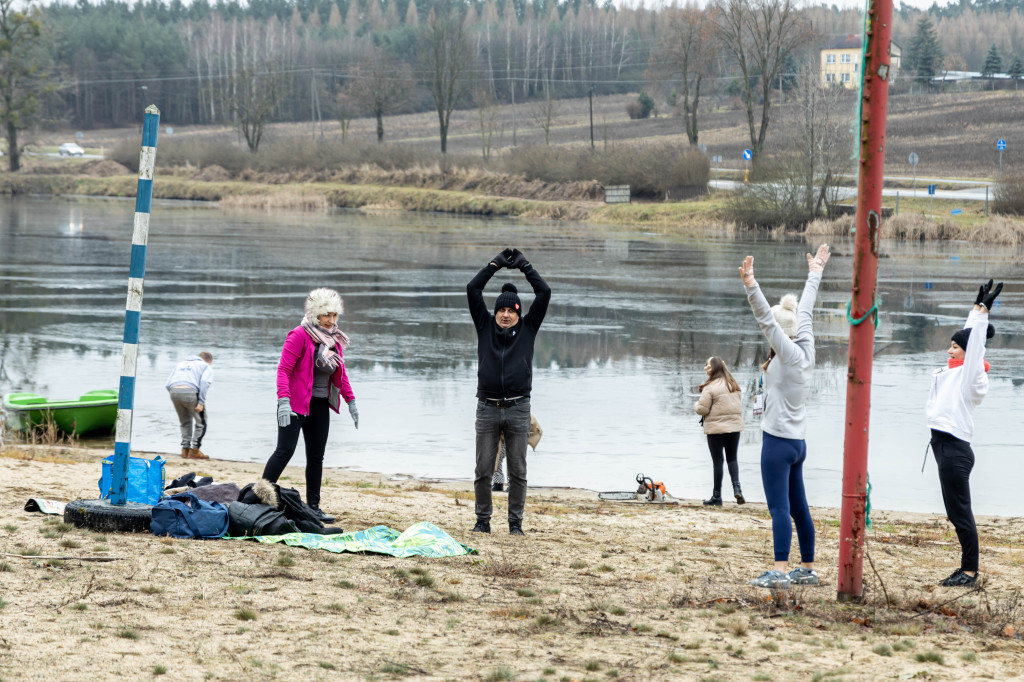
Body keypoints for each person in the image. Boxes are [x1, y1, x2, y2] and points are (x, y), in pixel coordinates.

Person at [740, 244, 830, 589]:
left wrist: (751, 284)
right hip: (797, 442)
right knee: (799, 508)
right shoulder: (805, 345)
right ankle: (806, 568)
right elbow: (805, 310)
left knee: (779, 507)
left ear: (779, 333)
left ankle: (779, 571)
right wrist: (815, 272)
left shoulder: (788, 352)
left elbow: (765, 318)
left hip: (777, 443)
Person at [467, 248, 551, 535]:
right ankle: (483, 521)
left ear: (518, 313)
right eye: (501, 310)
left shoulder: (528, 328)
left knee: (518, 471)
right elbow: (473, 288)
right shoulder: (484, 326)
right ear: (495, 313)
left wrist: (524, 266)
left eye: (510, 310)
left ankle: (515, 524)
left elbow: (544, 292)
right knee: (483, 470)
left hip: (518, 409)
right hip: (487, 408)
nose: (504, 314)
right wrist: (495, 264)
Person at [261, 288, 359, 524]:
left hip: (320, 405)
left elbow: (341, 374)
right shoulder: (298, 335)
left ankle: (313, 507)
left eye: (335, 315)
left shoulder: (335, 340)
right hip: (294, 404)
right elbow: (284, 370)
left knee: (316, 457)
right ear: (316, 314)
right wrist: (283, 401)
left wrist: (351, 401)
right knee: (284, 451)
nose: (331, 320)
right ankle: (259, 499)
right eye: (327, 315)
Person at [927, 279, 1001, 587]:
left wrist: (984, 313)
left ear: (966, 353)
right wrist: (974, 309)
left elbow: (975, 346)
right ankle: (966, 569)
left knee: (960, 514)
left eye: (954, 347)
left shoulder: (972, 377)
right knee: (955, 513)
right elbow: (968, 340)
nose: (948, 348)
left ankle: (969, 572)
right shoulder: (955, 370)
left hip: (954, 450)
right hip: (945, 448)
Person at [695, 356, 745, 506]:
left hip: (716, 429)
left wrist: (696, 404)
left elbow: (702, 409)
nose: (706, 369)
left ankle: (717, 496)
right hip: (734, 429)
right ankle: (738, 489)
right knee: (732, 459)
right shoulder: (733, 384)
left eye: (708, 366)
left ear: (713, 369)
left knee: (718, 462)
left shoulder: (709, 388)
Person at [165, 351, 214, 459]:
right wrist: (201, 402)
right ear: (210, 362)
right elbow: (205, 382)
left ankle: (185, 449)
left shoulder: (180, 364)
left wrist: (176, 395)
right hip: (191, 392)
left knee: (185, 422)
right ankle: (195, 450)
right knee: (201, 422)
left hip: (174, 392)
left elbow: (168, 384)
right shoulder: (205, 366)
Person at [492, 414, 543, 492]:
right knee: (496, 458)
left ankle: (512, 484)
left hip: (515, 431)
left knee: (512, 459)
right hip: (500, 432)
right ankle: (498, 483)